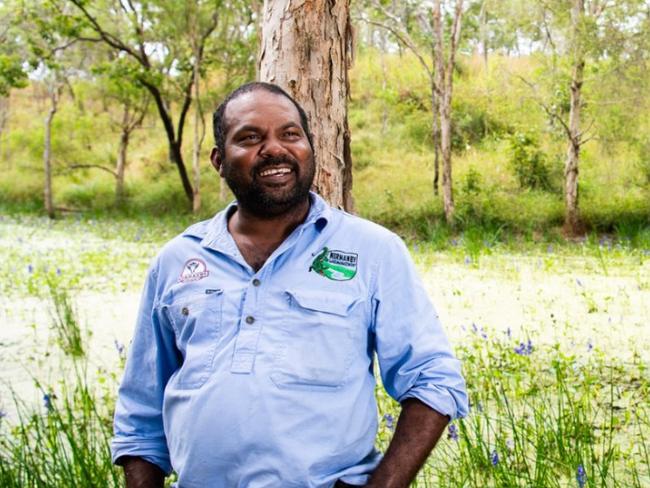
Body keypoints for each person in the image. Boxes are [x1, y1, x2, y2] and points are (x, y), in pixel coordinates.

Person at [111, 82, 468, 488]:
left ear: (310, 149)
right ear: (218, 160)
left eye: (290, 134)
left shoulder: (372, 251)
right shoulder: (177, 260)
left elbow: (433, 380)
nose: (274, 149)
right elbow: (141, 412)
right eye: (249, 138)